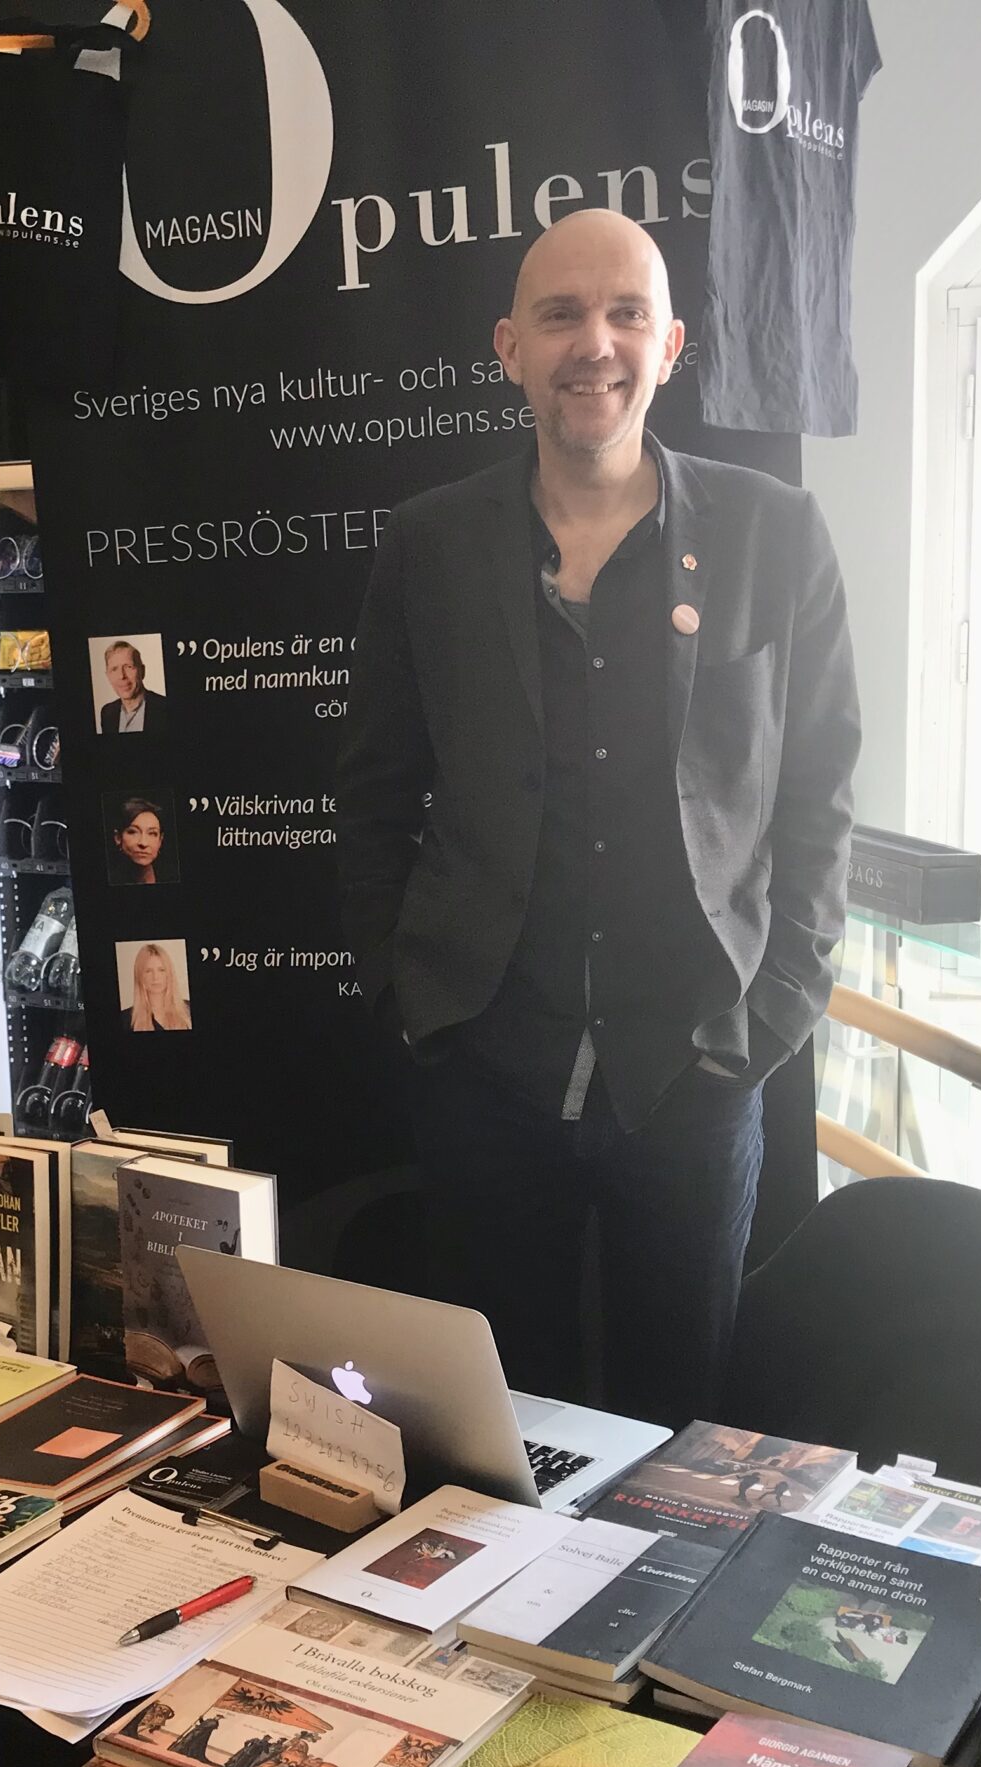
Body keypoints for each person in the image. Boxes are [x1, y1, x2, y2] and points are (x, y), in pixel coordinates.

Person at [336, 208, 858, 1430]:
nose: (595, 343)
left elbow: (820, 793)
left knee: (682, 1431)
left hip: (696, 1071)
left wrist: (776, 1009)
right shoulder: (430, 544)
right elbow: (372, 793)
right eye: (562, 315)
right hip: (484, 1070)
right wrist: (403, 996)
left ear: (669, 345)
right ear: (510, 347)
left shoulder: (775, 534)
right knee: (498, 1432)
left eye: (627, 314)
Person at [97, 638, 167, 734]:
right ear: (108, 676)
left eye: (128, 667)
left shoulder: (165, 709)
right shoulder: (107, 713)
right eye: (114, 669)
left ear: (142, 671)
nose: (122, 676)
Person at [126, 942, 192, 1032]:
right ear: (140, 976)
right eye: (148, 971)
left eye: (161, 970)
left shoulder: (189, 1010)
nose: (155, 977)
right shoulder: (126, 1019)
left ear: (169, 974)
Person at [107, 794, 169, 886]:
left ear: (160, 840)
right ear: (118, 837)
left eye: (152, 833)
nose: (143, 843)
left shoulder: (171, 877)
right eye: (133, 832)